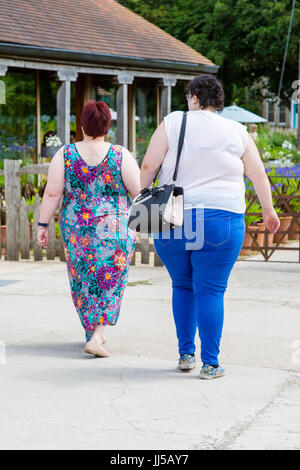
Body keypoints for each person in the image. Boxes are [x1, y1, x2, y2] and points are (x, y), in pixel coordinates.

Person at [140, 74, 280, 380]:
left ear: (193, 97)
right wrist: (268, 211)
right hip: (222, 219)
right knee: (211, 291)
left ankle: (185, 354)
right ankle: (211, 363)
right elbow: (258, 175)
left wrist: (141, 197)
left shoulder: (173, 122)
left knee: (182, 285)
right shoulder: (237, 131)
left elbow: (149, 167)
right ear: (219, 102)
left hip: (173, 218)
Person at [37, 100, 140, 357]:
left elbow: (52, 194)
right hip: (114, 227)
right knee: (110, 280)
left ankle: (93, 332)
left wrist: (42, 224)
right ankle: (96, 334)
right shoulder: (120, 154)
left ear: (82, 125)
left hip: (78, 228)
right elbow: (139, 193)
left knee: (83, 278)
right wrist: (141, 226)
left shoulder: (66, 154)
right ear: (107, 126)